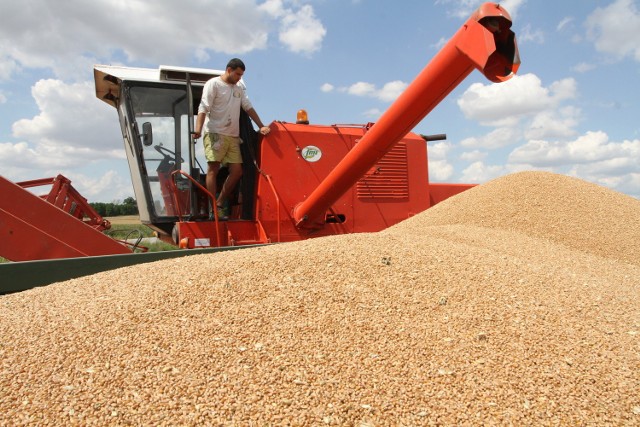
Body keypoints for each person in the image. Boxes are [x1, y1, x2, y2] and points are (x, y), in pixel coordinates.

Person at [193, 58, 270, 219]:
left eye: (241, 75)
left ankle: (220, 202)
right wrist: (198, 129)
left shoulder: (239, 88)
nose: (239, 78)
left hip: (233, 135)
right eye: (237, 74)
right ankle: (212, 206)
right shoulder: (213, 84)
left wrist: (262, 125)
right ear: (228, 70)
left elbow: (247, 106)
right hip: (215, 132)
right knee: (213, 168)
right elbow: (204, 107)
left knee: (237, 171)